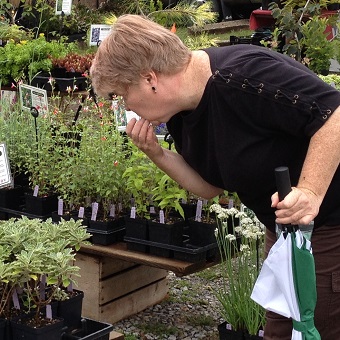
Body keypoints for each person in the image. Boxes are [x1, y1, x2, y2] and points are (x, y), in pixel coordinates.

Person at [90, 14, 340, 339]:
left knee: (317, 328)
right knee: (280, 330)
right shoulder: (182, 111)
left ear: (149, 78)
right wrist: (157, 153)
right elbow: (209, 187)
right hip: (287, 229)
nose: (126, 107)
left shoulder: (244, 75)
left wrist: (309, 191)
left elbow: (333, 114)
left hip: (328, 227)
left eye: (121, 95)